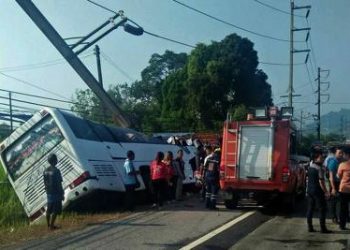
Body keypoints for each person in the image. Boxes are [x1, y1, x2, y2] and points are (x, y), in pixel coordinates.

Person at [306, 148, 331, 233]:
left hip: (310, 190)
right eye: (321, 158)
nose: (323, 159)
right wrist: (326, 192)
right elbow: (321, 181)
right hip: (318, 191)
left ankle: (310, 227)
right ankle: (323, 229)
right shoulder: (319, 168)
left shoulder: (310, 166)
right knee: (322, 209)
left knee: (310, 209)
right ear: (315, 158)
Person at [43, 153, 64, 230]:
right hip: (56, 192)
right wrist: (61, 193)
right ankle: (52, 226)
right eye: (56, 159)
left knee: (49, 209)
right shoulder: (56, 171)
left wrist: (47, 190)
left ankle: (48, 225)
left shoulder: (45, 171)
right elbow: (59, 183)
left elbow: (45, 182)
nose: (57, 160)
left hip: (49, 193)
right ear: (54, 161)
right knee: (55, 210)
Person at [326, 147, 343, 224]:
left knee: (339, 201)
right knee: (334, 201)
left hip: (339, 183)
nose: (341, 154)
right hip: (334, 183)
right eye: (339, 153)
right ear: (335, 153)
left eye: (341, 153)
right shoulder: (333, 161)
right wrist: (333, 188)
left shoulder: (339, 161)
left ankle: (339, 217)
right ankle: (334, 217)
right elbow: (331, 177)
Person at [337, 146, 350, 230]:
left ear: (347, 155)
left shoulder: (342, 165)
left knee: (343, 208)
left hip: (344, 189)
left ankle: (342, 225)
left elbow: (338, 176)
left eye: (344, 154)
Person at [203, 145, 220, 210]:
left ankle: (207, 204)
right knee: (214, 193)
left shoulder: (210, 158)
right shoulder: (218, 159)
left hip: (208, 177)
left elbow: (206, 167)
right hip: (214, 177)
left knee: (208, 192)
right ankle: (212, 206)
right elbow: (218, 169)